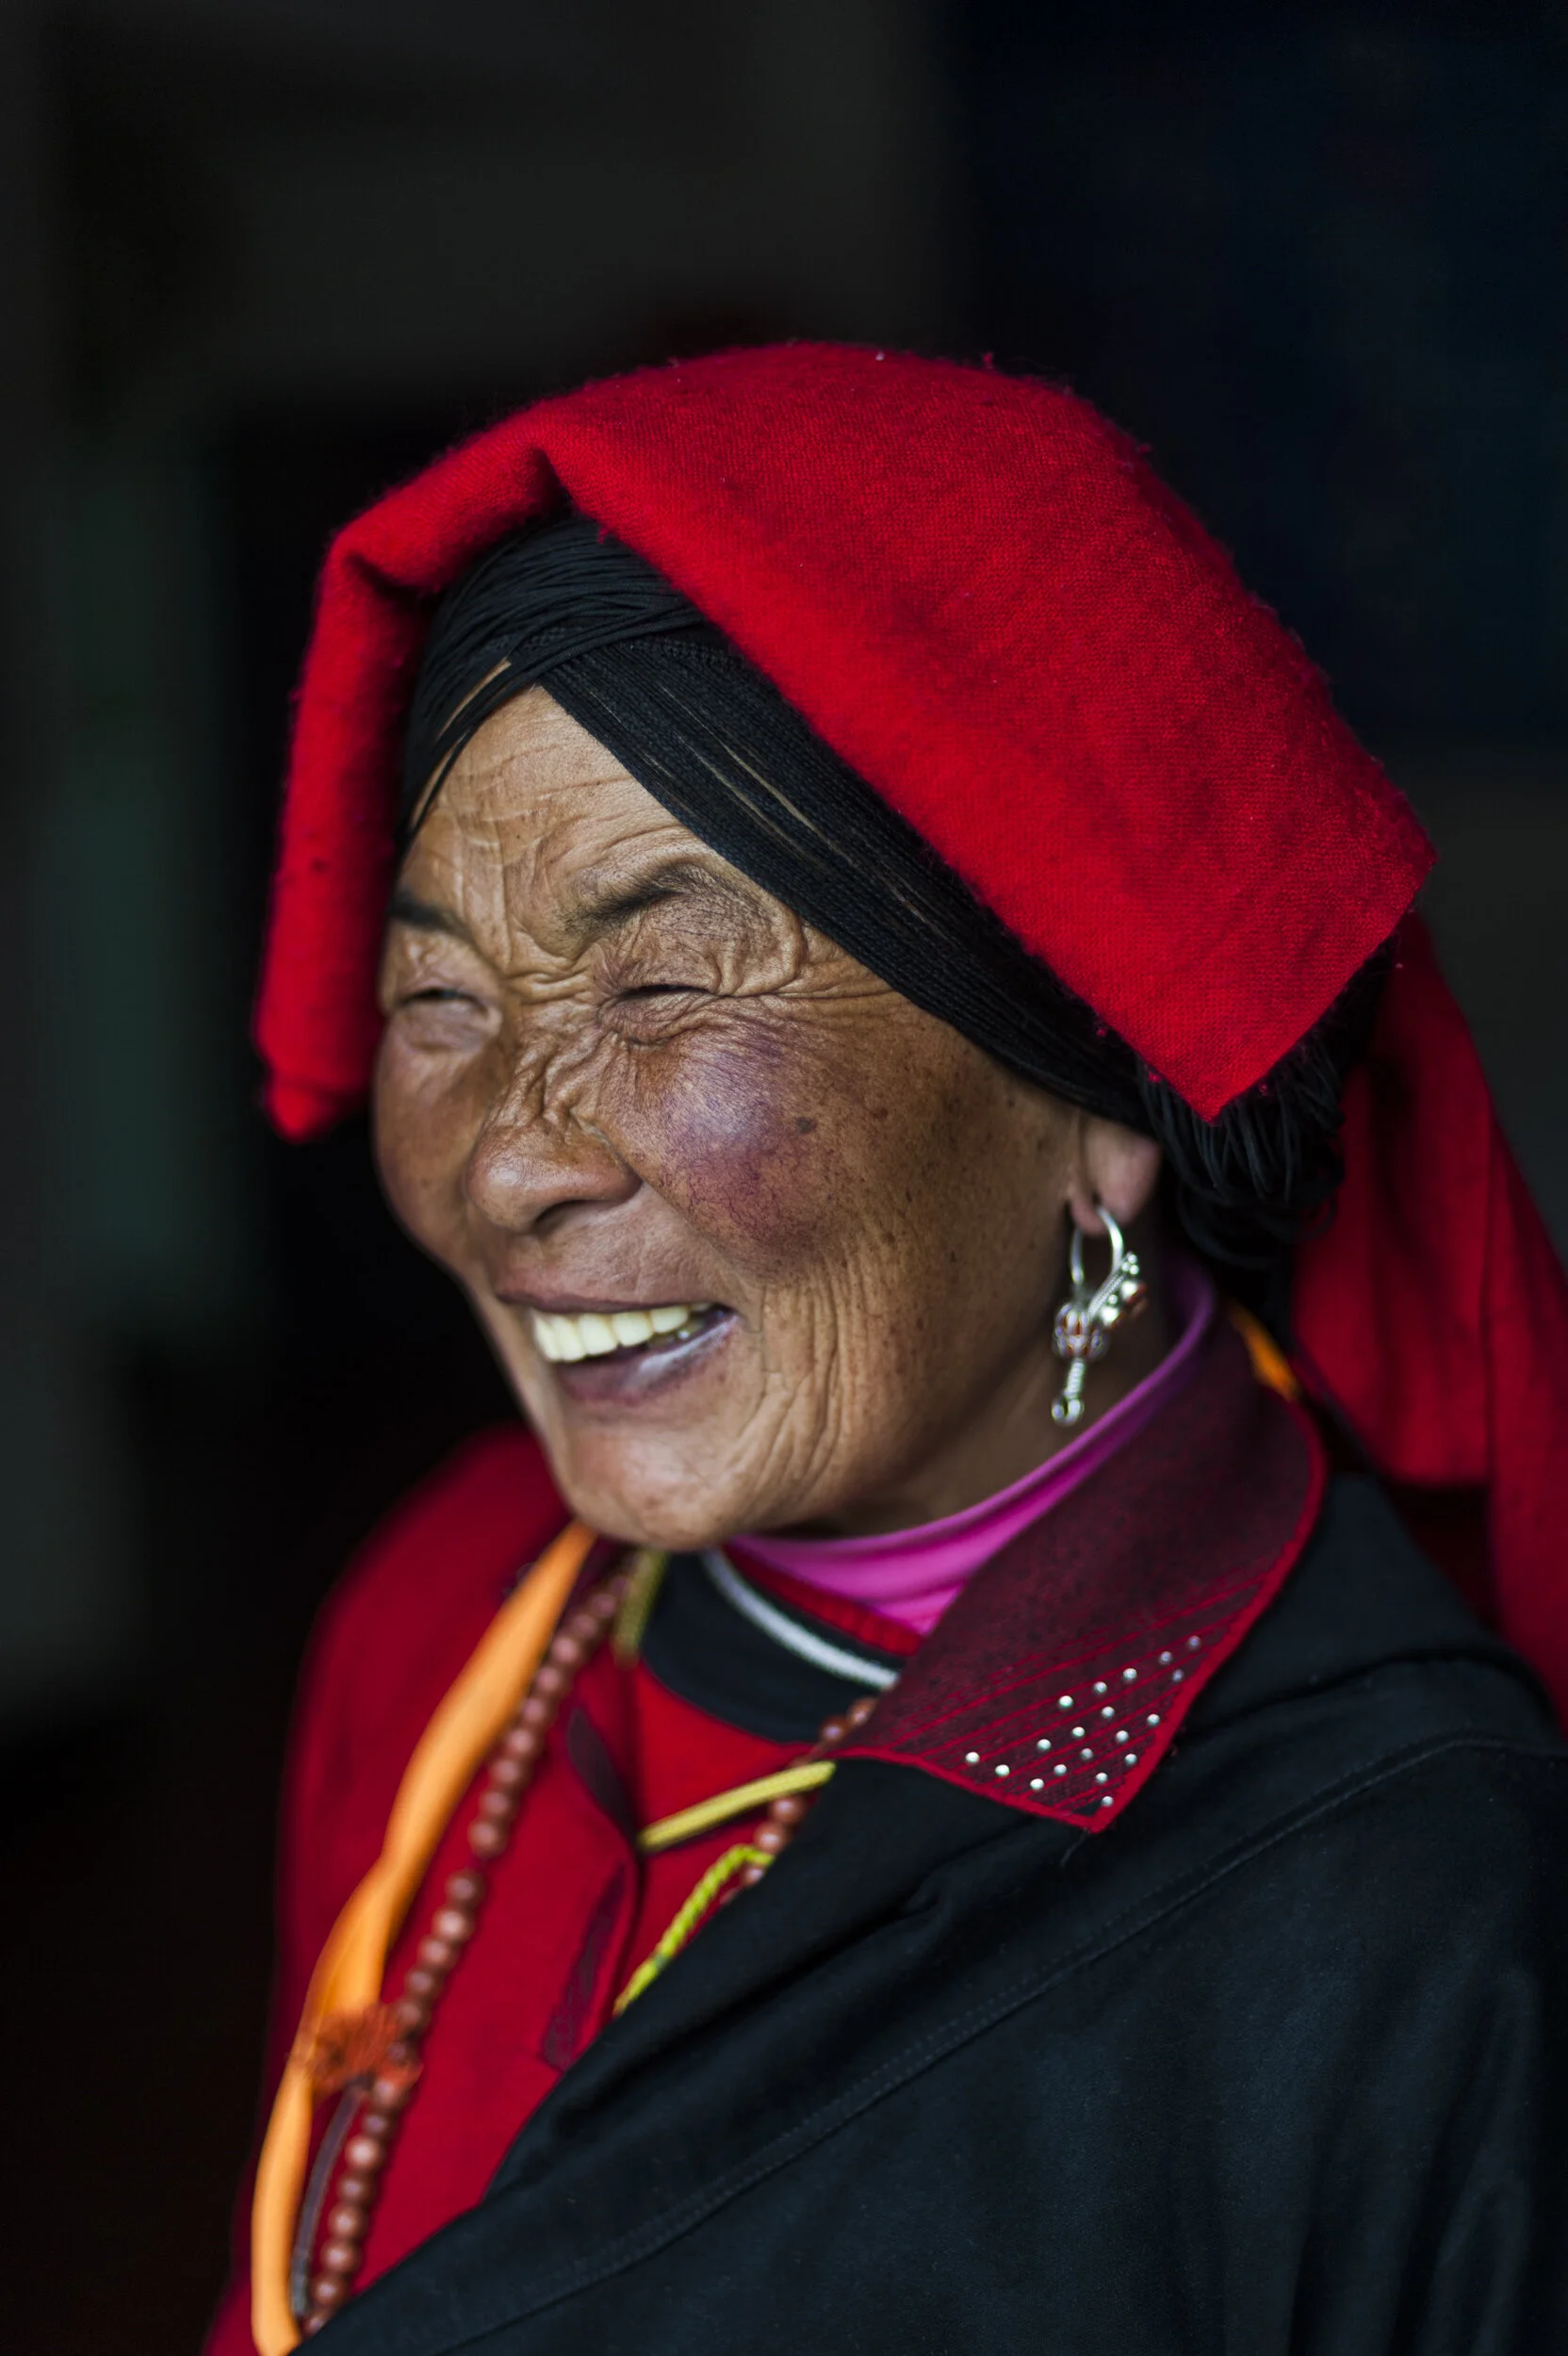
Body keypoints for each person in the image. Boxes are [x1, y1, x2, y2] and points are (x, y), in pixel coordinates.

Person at [207, 346, 1568, 2356]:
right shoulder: (440, 1625)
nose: (505, 1155)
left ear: (1106, 1086)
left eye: (662, 980)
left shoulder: (1412, 1924)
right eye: (438, 993)